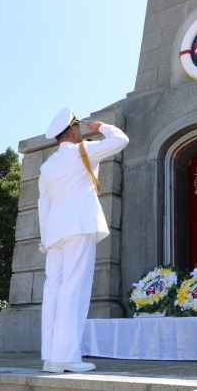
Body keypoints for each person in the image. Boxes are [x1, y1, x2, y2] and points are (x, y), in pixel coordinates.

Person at [38, 108, 128, 374]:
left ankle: (52, 357)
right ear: (75, 131)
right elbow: (121, 140)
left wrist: (45, 239)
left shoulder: (47, 165)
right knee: (73, 291)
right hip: (78, 228)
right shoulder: (82, 151)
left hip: (55, 233)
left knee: (53, 290)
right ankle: (67, 357)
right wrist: (102, 126)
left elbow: (44, 205)